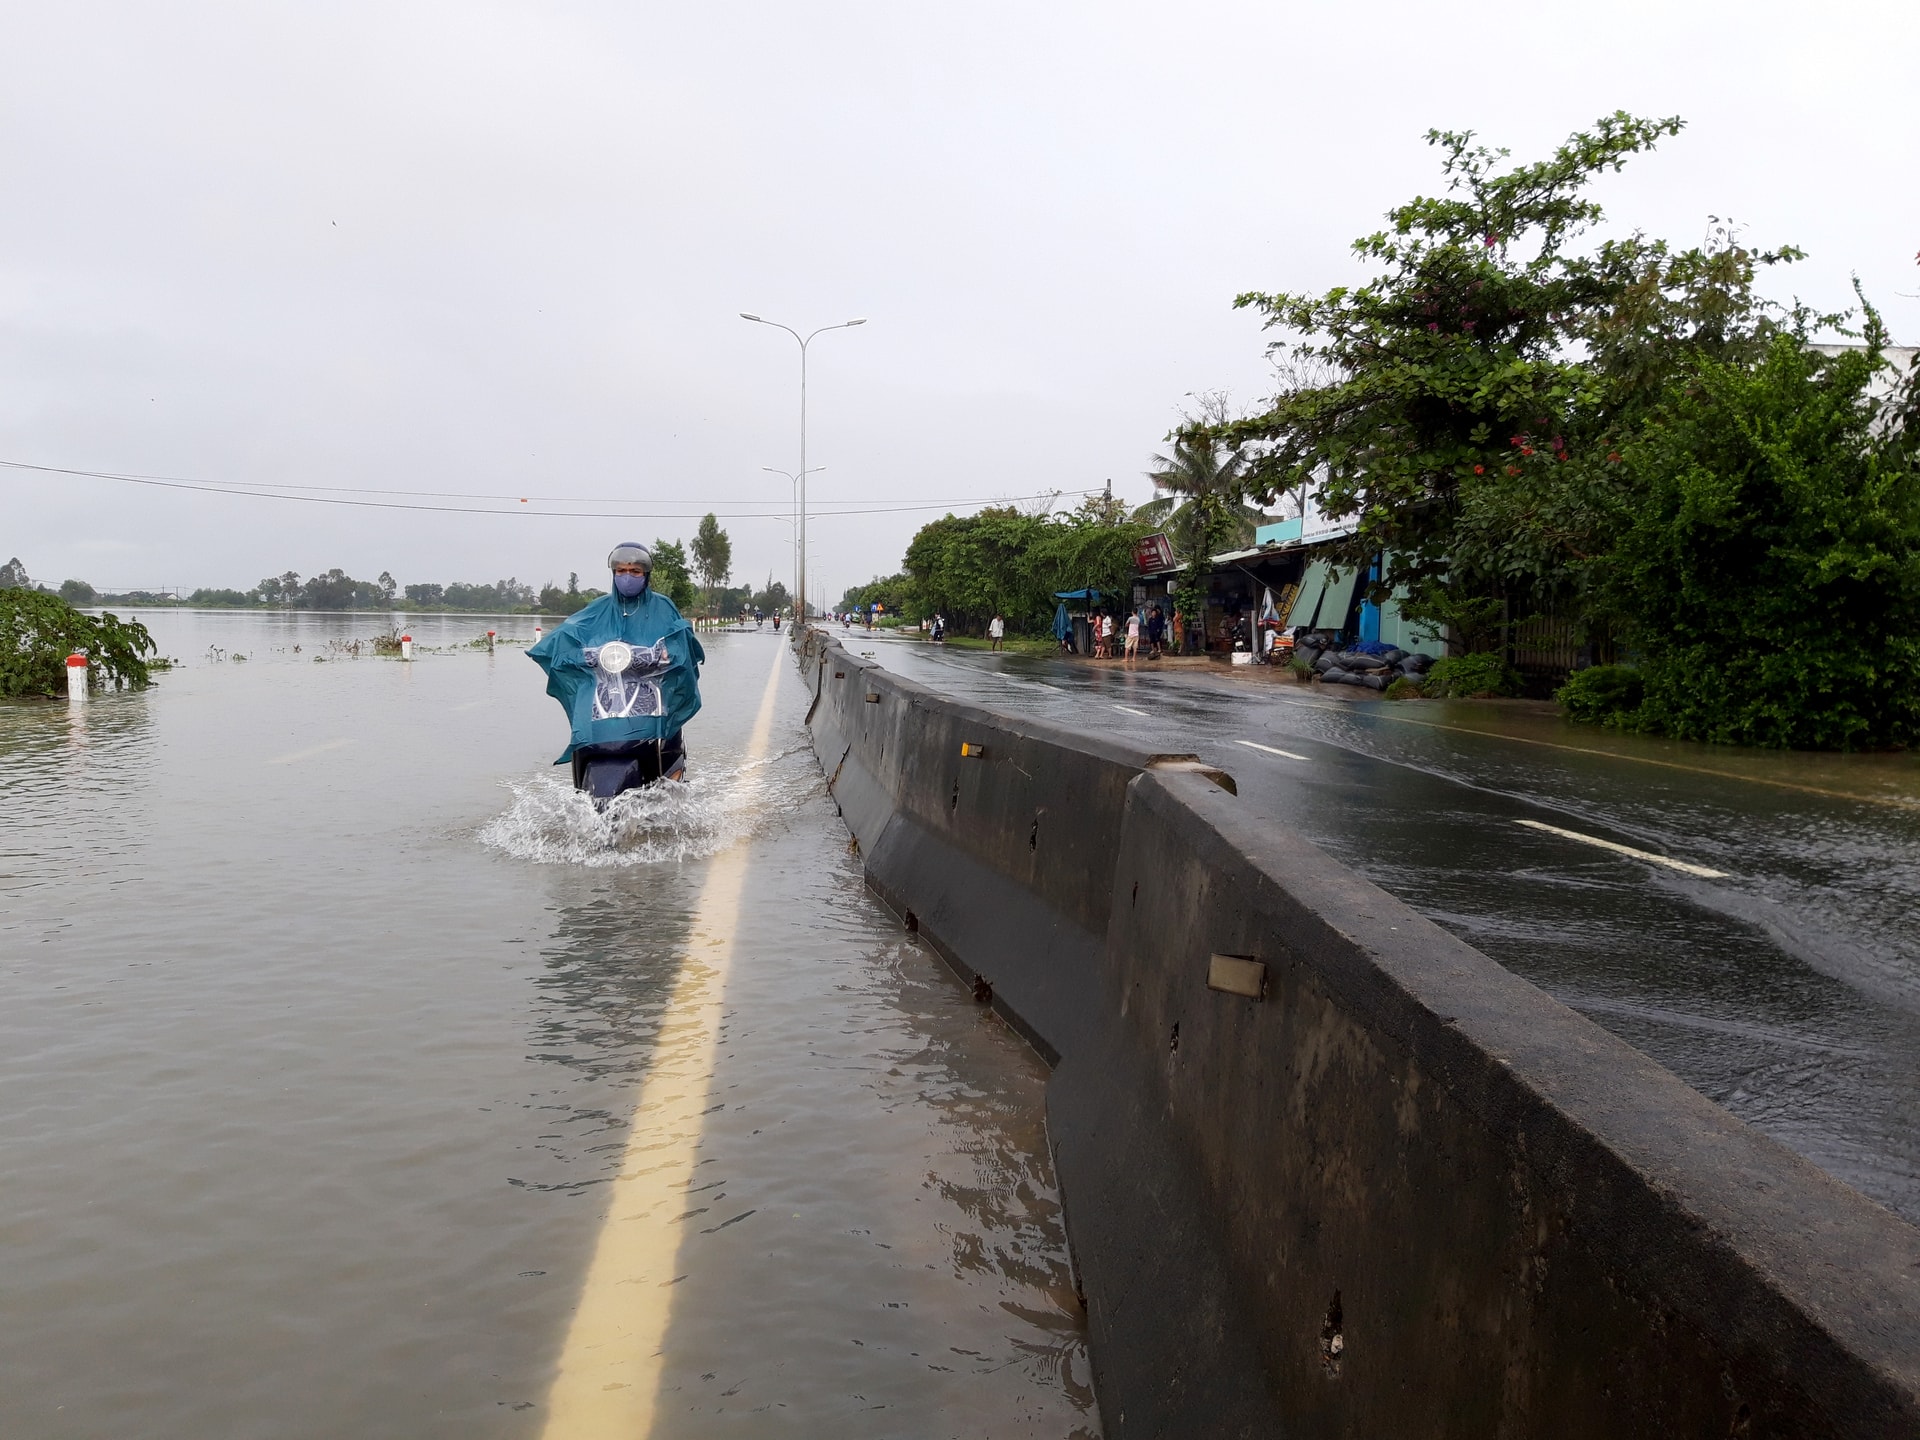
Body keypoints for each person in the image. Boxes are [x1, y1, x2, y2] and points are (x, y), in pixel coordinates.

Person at [528, 542, 705, 801]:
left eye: (635, 571)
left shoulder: (662, 607)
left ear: (646, 575)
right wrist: (572, 654)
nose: (627, 577)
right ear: (613, 574)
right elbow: (568, 635)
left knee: (669, 736)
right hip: (605, 700)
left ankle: (673, 780)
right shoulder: (598, 609)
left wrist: (665, 655)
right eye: (621, 571)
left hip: (650, 695)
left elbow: (681, 639)